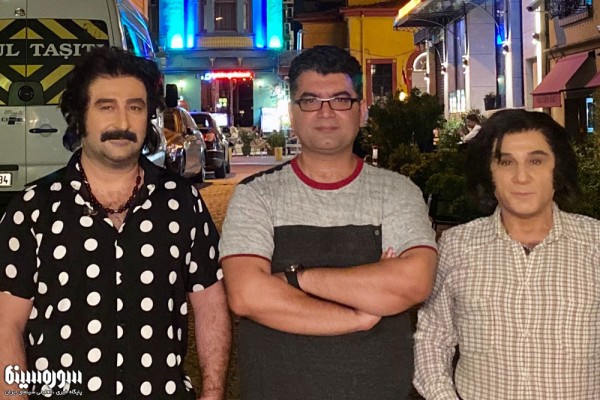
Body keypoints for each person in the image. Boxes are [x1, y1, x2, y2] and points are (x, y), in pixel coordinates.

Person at [0, 47, 231, 399]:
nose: (122, 122)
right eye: (106, 107)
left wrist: (213, 392)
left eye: (135, 107)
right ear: (79, 116)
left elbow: (210, 305)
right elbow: (6, 325)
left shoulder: (182, 202)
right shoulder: (33, 209)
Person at [219, 45, 437, 399]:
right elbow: (247, 295)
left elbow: (413, 283)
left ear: (361, 111)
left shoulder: (397, 192)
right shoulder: (256, 195)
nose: (325, 112)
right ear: (293, 113)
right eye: (310, 101)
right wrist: (357, 315)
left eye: (340, 100)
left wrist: (296, 278)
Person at [414, 109, 600, 399]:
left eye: (536, 161)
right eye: (506, 162)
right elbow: (432, 336)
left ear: (558, 170)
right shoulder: (457, 246)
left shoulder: (595, 244)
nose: (521, 177)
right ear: (489, 173)